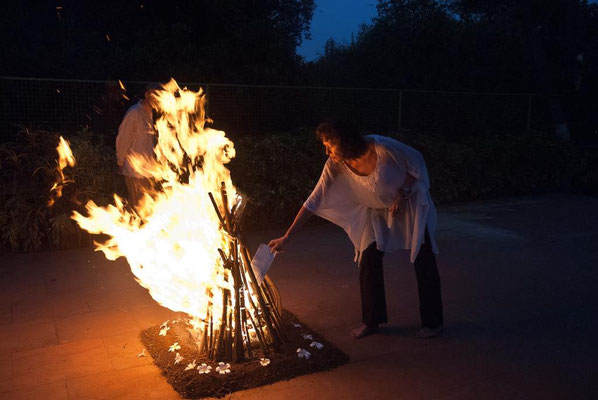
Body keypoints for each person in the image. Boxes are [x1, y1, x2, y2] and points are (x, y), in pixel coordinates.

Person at [268, 120, 443, 339]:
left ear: (345, 141)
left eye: (330, 146)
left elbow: (416, 163)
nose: (327, 152)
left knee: (423, 257)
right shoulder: (335, 164)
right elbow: (314, 199)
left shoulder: (383, 148)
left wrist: (404, 192)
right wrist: (287, 236)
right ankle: (372, 320)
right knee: (369, 257)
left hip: (410, 204)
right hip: (376, 210)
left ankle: (433, 321)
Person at [115, 83, 160, 210]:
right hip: (135, 172)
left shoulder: (149, 114)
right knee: (139, 208)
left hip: (147, 171)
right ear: (147, 94)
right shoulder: (134, 113)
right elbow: (122, 139)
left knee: (147, 209)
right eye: (156, 95)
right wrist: (120, 162)